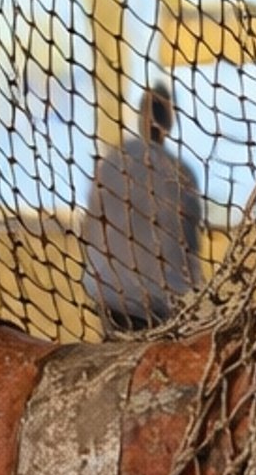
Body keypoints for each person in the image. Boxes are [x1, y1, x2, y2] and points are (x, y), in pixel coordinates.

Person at [81, 84, 204, 337]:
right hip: (160, 302)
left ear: (139, 117)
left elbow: (91, 224)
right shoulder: (180, 173)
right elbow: (190, 243)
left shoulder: (111, 163)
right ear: (170, 122)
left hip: (109, 292)